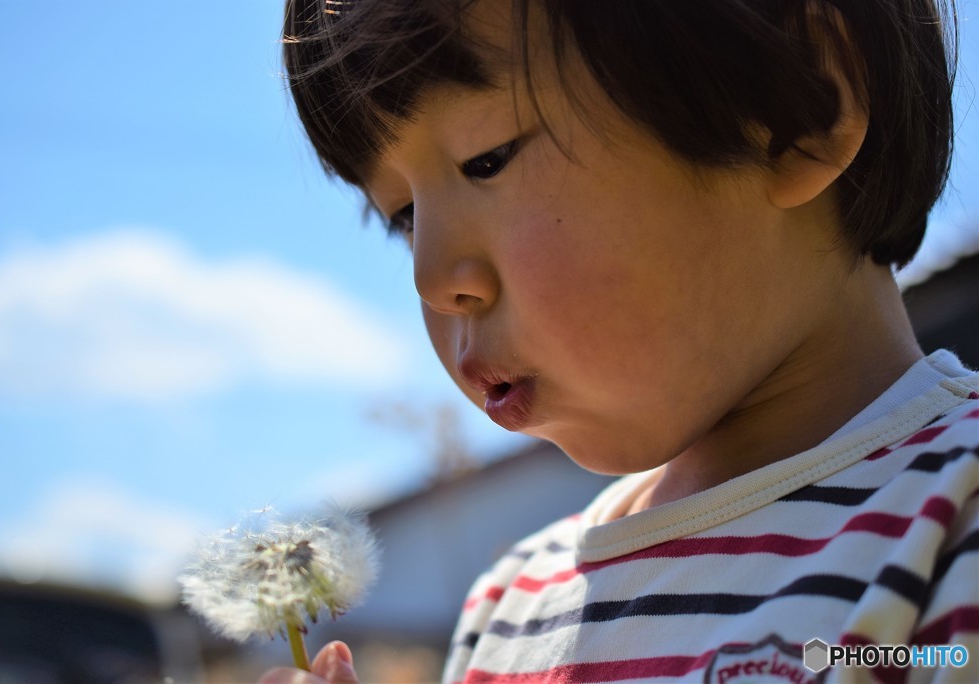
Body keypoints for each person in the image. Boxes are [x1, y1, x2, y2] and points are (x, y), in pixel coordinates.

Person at [264, 0, 976, 681]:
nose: (431, 279)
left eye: (487, 159)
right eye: (405, 217)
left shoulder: (953, 519)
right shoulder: (509, 607)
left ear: (796, 108)